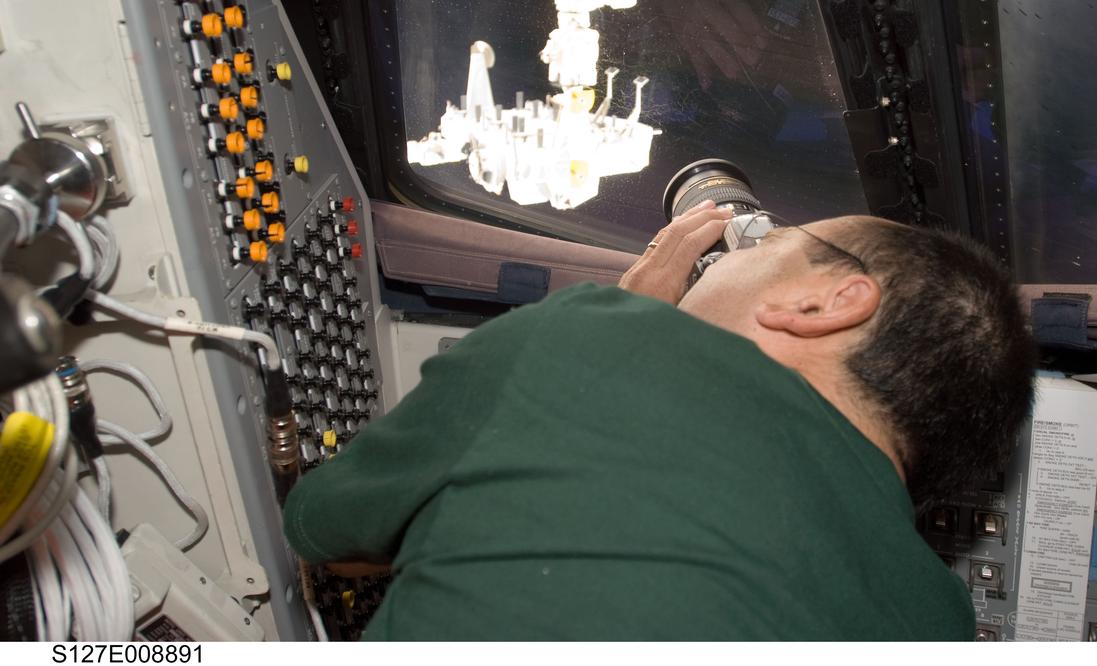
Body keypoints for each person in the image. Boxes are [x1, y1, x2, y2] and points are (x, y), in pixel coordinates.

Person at [283, 201, 1036, 639]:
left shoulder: (598, 337)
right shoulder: (940, 622)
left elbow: (321, 530)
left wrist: (626, 314)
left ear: (823, 303)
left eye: (768, 243)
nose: (727, 257)